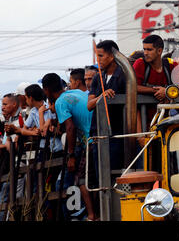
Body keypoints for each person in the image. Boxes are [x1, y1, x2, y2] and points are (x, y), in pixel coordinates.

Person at [42, 73, 97, 221]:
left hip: (90, 141)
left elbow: (70, 127)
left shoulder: (60, 102)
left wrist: (71, 156)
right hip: (98, 135)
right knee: (95, 179)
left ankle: (92, 216)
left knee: (81, 181)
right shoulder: (76, 92)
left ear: (47, 90)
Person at [87, 40, 127, 171]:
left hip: (117, 134)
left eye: (100, 56)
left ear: (111, 56)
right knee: (99, 175)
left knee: (115, 173)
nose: (98, 60)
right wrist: (101, 96)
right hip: (98, 134)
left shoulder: (124, 75)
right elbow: (89, 105)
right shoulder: (98, 78)